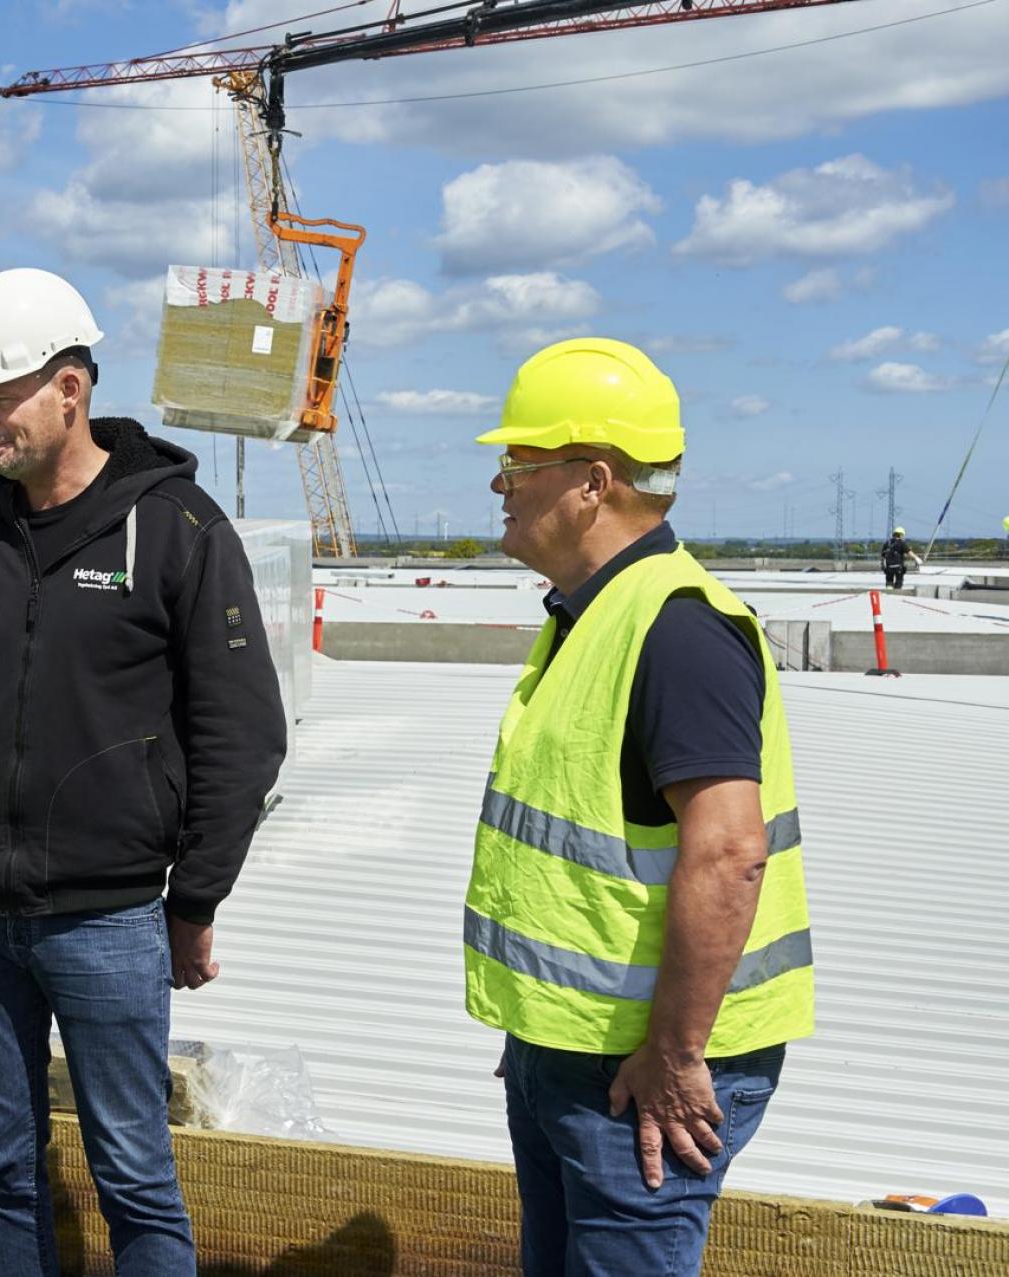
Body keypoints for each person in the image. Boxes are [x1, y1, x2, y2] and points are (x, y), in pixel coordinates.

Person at [0, 268, 286, 1276]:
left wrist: (194, 897)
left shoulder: (179, 529)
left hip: (110, 919)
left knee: (134, 1172)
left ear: (70, 386)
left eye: (1, 395)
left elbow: (242, 734)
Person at [463, 338, 814, 1276]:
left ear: (593, 481)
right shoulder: (592, 614)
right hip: (574, 1054)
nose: (501, 486)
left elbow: (730, 853)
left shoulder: (677, 628)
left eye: (518, 465)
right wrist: (537, 1034)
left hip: (645, 1076)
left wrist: (672, 1051)